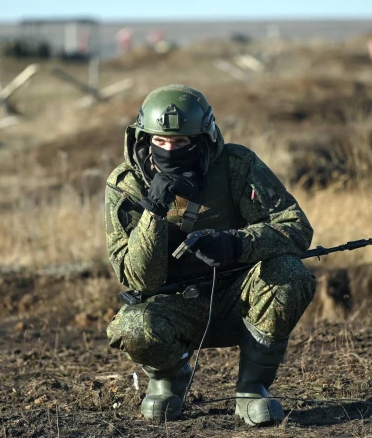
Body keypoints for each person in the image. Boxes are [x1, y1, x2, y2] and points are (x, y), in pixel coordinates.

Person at [104, 84, 316, 426]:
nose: (169, 150)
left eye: (181, 143)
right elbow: (138, 279)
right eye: (160, 142)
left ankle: (251, 389)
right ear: (144, 138)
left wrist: (235, 244)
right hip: (173, 307)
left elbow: (296, 227)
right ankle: (168, 379)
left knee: (290, 273)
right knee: (133, 325)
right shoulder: (127, 185)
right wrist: (153, 212)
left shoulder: (235, 165)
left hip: (238, 296)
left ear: (202, 139)